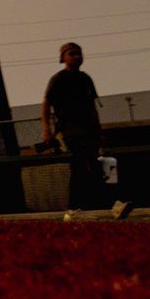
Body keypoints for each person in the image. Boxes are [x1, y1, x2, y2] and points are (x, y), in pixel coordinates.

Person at [42, 42, 128, 218]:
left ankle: (112, 205)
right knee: (79, 166)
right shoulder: (58, 79)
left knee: (97, 167)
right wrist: (47, 130)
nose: (76, 57)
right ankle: (73, 209)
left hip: (88, 130)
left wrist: (99, 130)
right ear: (63, 58)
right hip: (69, 131)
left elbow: (92, 107)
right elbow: (46, 103)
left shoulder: (85, 79)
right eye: (72, 54)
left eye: (79, 53)